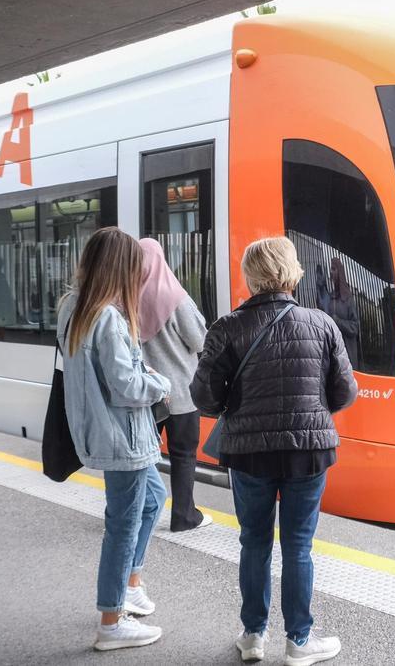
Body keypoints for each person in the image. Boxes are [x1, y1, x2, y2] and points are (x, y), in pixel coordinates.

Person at [192, 237, 357, 666]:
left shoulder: (226, 327)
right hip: (309, 451)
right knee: (298, 546)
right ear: (292, 271)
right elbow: (344, 392)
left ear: (251, 277)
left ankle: (253, 636)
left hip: (248, 453)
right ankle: (299, 641)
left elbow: (205, 399)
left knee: (254, 542)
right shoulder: (322, 324)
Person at [57, 229, 169, 651]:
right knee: (121, 525)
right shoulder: (107, 316)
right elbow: (125, 385)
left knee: (154, 500)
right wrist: (160, 384)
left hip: (107, 431)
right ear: (120, 270)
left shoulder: (73, 305)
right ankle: (111, 619)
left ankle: (131, 583)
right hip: (124, 437)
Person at [136, 238, 211, 533]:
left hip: (144, 395)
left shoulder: (125, 296)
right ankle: (184, 516)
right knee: (183, 455)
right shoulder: (175, 296)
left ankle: (144, 511)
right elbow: (200, 340)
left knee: (145, 456)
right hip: (180, 395)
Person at [318, 257, 361, 370]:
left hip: (347, 359)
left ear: (340, 272)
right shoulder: (330, 297)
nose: (331, 272)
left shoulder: (348, 298)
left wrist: (338, 322)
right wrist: (320, 288)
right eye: (330, 270)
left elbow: (355, 327)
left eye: (333, 269)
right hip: (332, 356)